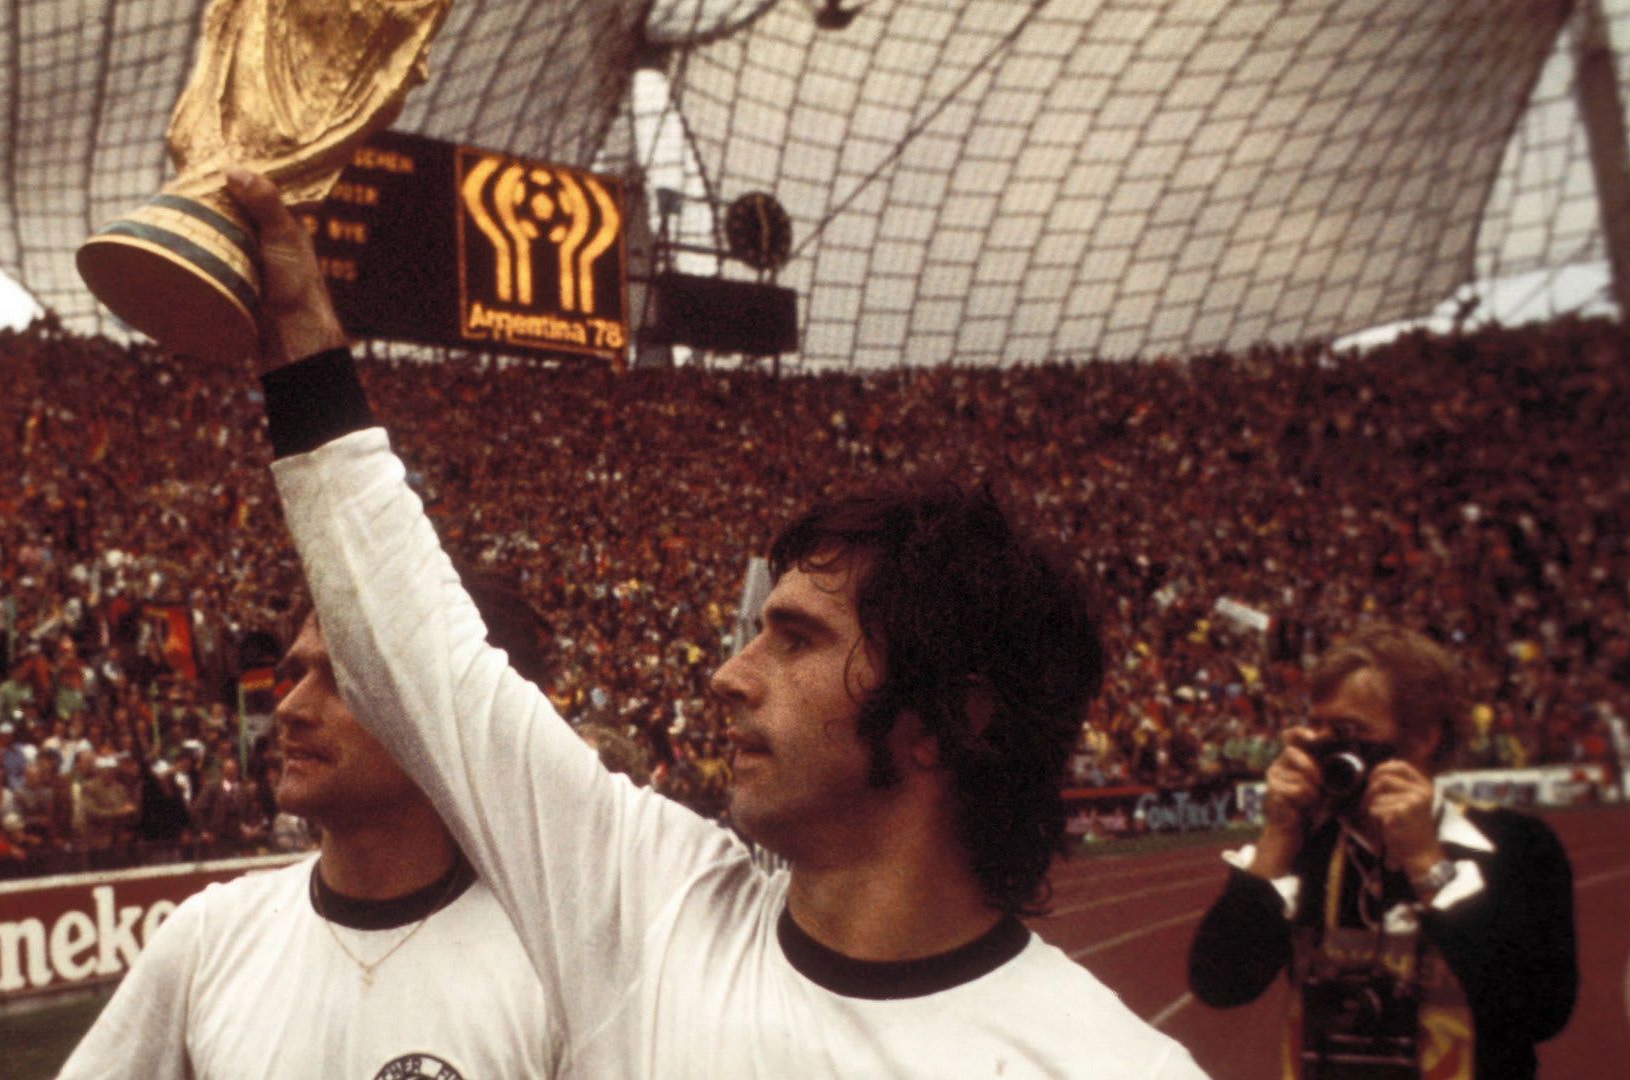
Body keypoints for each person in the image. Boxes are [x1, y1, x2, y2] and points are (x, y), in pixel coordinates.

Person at [224, 168, 1204, 1077]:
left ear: (953, 719)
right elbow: (418, 660)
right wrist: (302, 330)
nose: (729, 675)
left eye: (801, 638)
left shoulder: (1108, 1065)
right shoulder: (650, 909)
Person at [56, 598, 560, 1079]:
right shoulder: (208, 938)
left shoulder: (555, 976)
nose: (290, 707)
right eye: (298, 674)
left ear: (453, 714)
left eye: (343, 680)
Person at [1187, 625, 1577, 1078]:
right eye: (1317, 727)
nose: (1326, 747)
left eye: (1349, 730)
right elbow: (1219, 985)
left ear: (1424, 738)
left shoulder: (1516, 845)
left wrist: (1429, 866)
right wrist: (1278, 839)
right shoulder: (1306, 848)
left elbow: (1542, 1013)